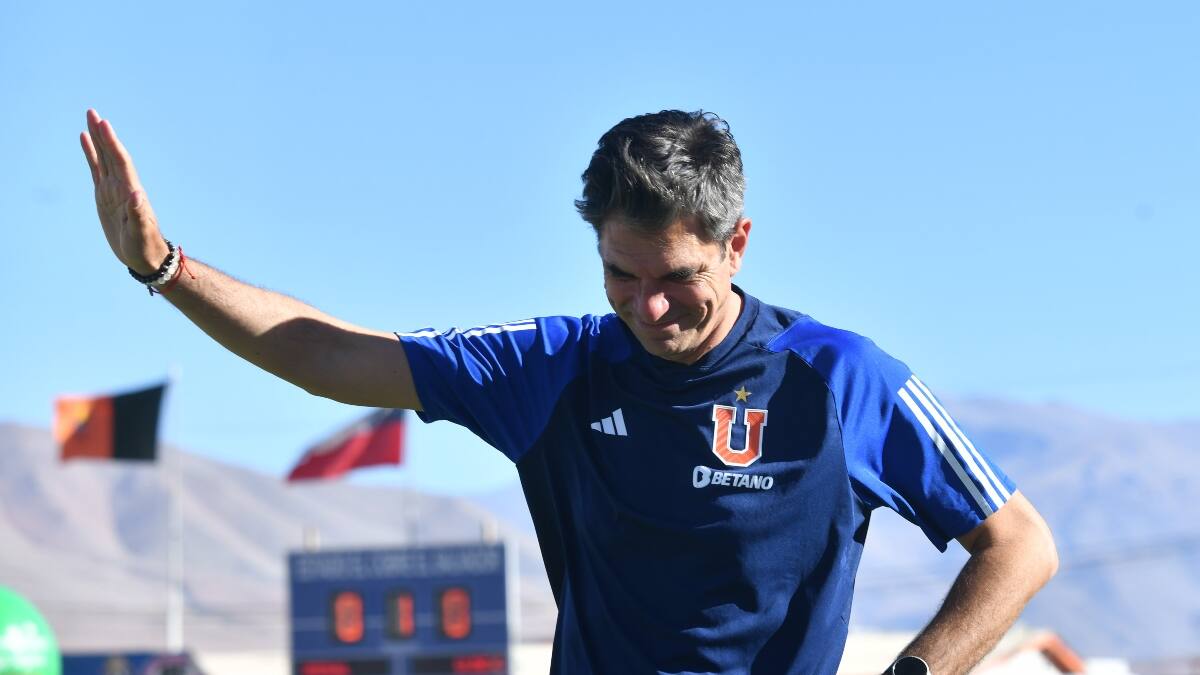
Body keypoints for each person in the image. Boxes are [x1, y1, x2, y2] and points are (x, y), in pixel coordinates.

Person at [81, 108, 1057, 675]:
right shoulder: (557, 367)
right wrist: (164, 268)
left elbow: (1019, 545)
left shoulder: (842, 379)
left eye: (676, 275)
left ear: (737, 244)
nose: (648, 305)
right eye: (619, 274)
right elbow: (329, 356)